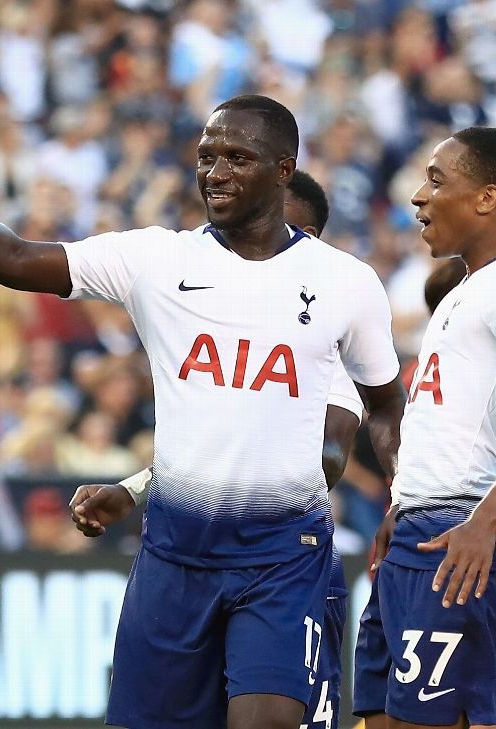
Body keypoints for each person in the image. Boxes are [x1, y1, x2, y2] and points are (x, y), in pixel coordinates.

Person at [0, 71, 408, 729]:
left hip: (281, 556)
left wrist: (404, 503)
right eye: (207, 156)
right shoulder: (153, 260)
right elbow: (8, 257)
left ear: (283, 170)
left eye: (236, 157)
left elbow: (383, 406)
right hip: (174, 555)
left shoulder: (346, 284)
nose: (215, 171)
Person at [74, 170, 362, 729]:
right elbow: (223, 452)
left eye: (287, 233)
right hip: (195, 562)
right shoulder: (220, 330)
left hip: (285, 570)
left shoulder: (326, 349)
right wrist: (136, 489)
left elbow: (323, 456)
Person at [352, 127, 496, 729]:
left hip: (463, 531)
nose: (419, 197)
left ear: (487, 198)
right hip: (420, 527)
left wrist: (486, 521)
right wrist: (402, 505)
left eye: (437, 181)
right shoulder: (465, 287)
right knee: (380, 720)